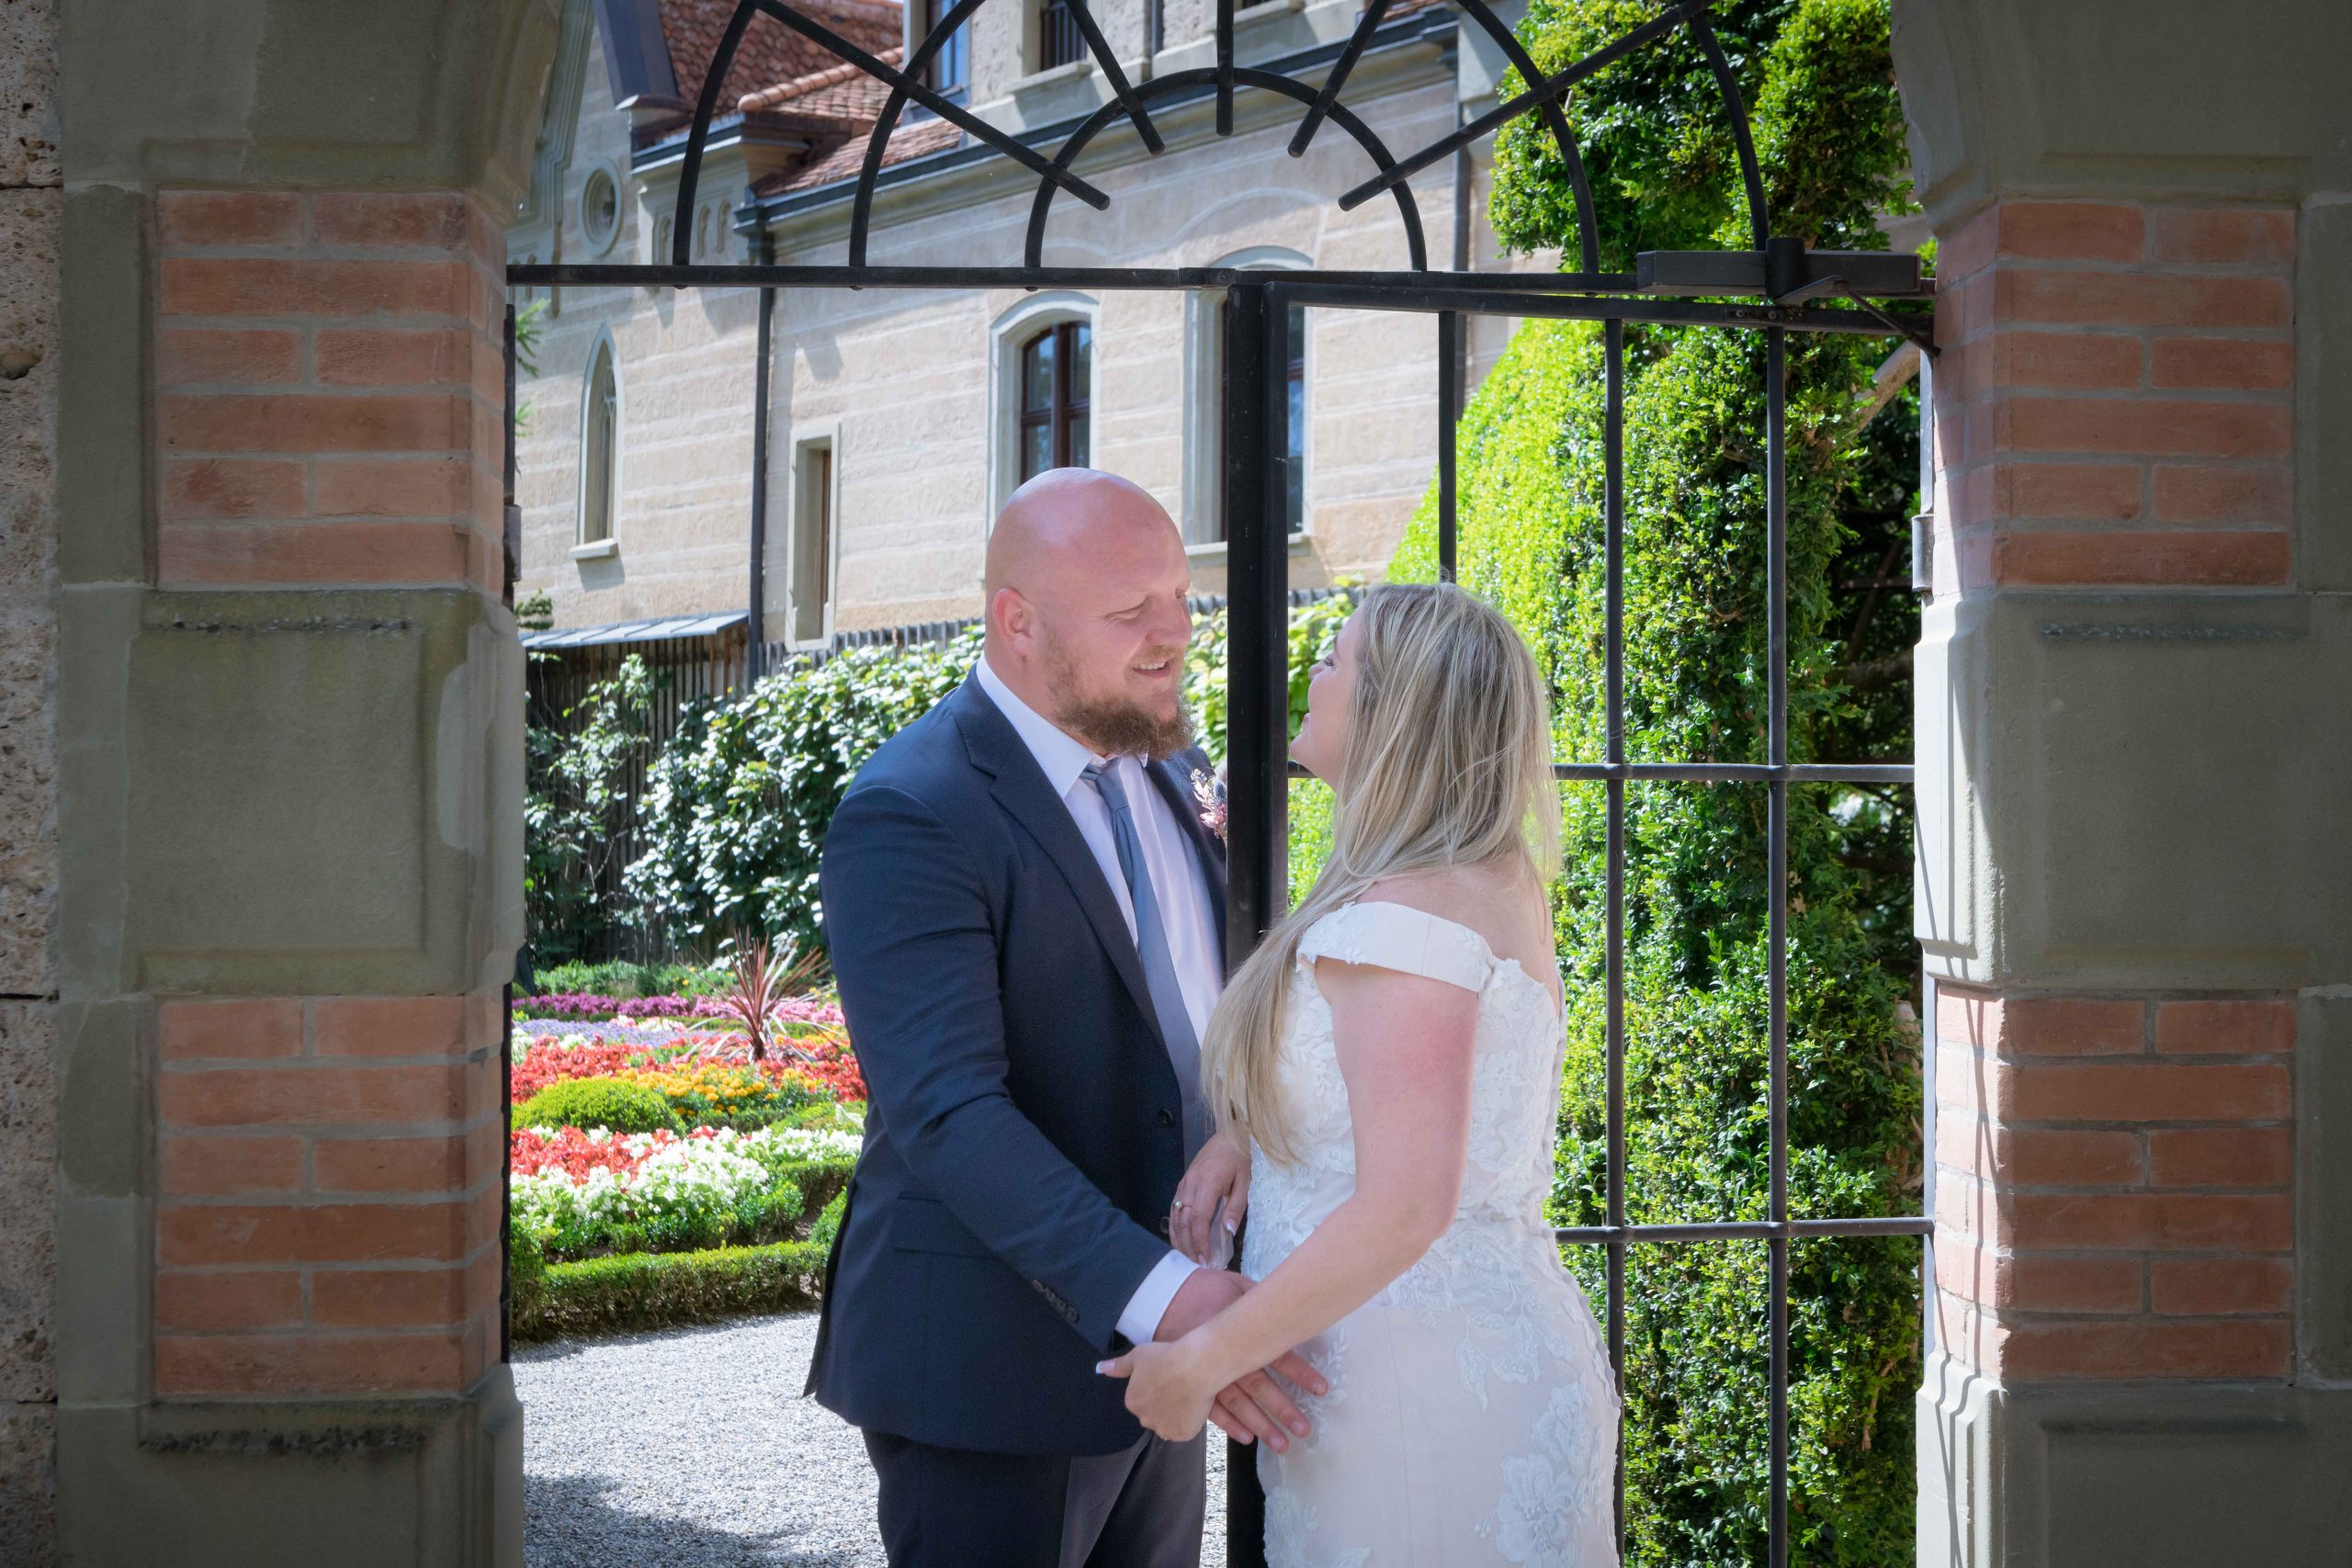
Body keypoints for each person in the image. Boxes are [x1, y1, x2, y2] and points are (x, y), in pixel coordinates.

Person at [807, 468, 1326, 1567]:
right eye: (1130, 610)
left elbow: (1204, 1017)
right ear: (1017, 624)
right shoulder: (911, 811)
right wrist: (1173, 1298)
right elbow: (947, 1113)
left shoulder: (1173, 765)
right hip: (991, 1369)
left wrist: (1235, 1141)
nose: (1173, 635)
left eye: (1179, 598)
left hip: (1167, 1354)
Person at [1102, 582, 1623, 1565]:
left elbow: (1404, 1206)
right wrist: (1251, 1133)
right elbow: (1409, 1100)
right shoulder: (1484, 879)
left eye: (1336, 661)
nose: (1311, 673)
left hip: (1409, 1406)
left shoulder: (1399, 921)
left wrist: (1201, 1361)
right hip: (1462, 1366)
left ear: (1395, 710)